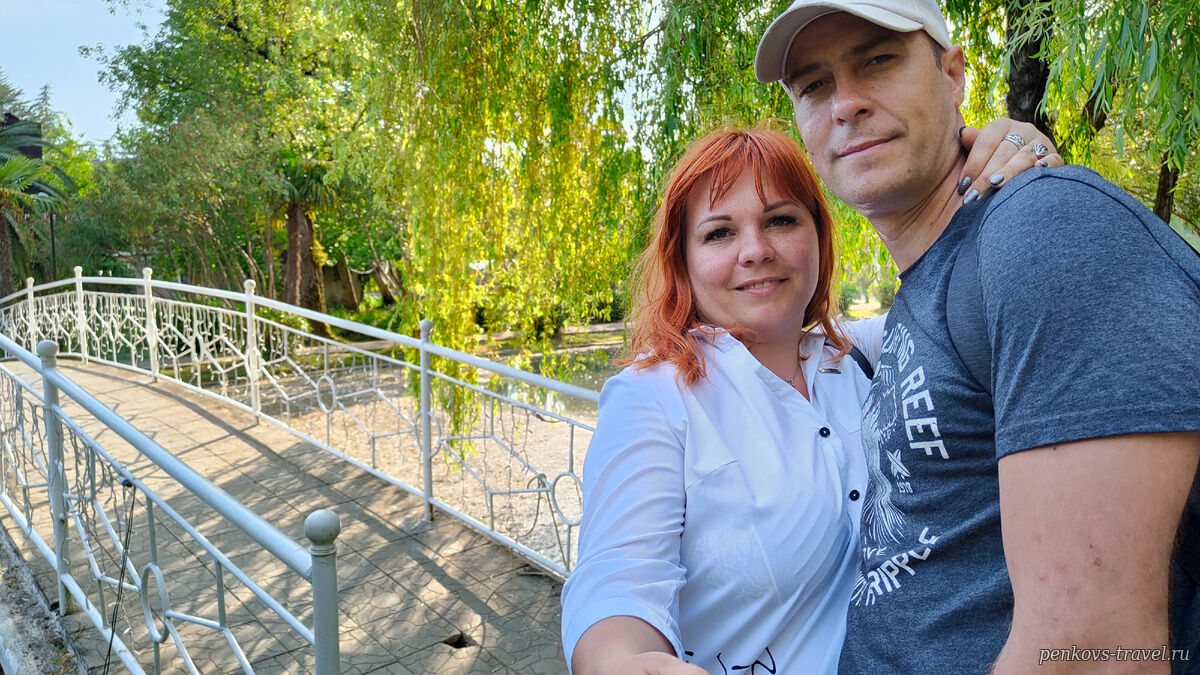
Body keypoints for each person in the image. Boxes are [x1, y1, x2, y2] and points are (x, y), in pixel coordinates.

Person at [753, 0, 1200, 672]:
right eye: (814, 85)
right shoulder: (926, 289)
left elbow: (1091, 652)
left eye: (878, 60)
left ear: (954, 75)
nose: (845, 104)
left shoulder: (1048, 231)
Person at [560, 120, 1058, 674]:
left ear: (819, 236)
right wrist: (624, 660)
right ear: (684, 261)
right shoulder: (653, 397)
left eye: (781, 220)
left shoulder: (871, 354)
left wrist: (1023, 172)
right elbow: (616, 581)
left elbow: (989, 297)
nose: (756, 250)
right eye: (719, 233)